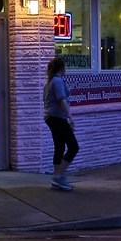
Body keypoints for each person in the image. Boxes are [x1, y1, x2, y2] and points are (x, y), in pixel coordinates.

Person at [44, 55, 78, 191]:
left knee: (59, 147)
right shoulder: (57, 81)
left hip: (50, 117)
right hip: (57, 117)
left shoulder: (49, 82)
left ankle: (57, 179)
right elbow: (61, 100)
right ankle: (59, 177)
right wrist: (70, 117)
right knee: (73, 147)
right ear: (62, 68)